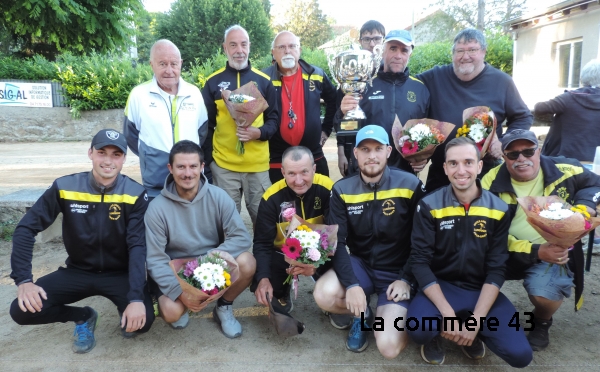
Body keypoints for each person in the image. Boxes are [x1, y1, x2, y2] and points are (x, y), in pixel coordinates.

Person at [9, 129, 154, 353]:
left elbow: (137, 246)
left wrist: (135, 298)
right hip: (77, 271)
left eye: (116, 154)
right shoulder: (65, 186)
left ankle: (123, 306)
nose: (108, 160)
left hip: (119, 273)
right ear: (90, 153)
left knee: (143, 322)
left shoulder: (135, 193)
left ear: (124, 159)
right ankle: (84, 316)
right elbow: (26, 228)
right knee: (21, 311)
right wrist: (24, 281)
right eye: (101, 152)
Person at [407, 137, 532, 367]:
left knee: (521, 356)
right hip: (441, 286)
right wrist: (447, 314)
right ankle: (440, 330)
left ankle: (473, 331)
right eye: (453, 163)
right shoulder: (429, 205)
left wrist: (475, 322)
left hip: (479, 289)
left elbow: (497, 268)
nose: (461, 170)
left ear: (480, 166)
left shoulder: (499, 208)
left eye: (468, 162)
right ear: (444, 168)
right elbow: (420, 262)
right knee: (419, 328)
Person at [481, 129, 600, 351]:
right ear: (503, 157)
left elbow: (595, 184)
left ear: (539, 150)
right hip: (504, 250)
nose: (522, 159)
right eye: (513, 154)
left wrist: (584, 208)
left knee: (544, 294)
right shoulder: (489, 181)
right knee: (465, 271)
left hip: (552, 251)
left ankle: (542, 321)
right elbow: (486, 233)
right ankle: (475, 317)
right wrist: (535, 249)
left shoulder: (565, 168)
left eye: (528, 151)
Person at [313, 125, 426, 358]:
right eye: (365, 149)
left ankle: (391, 316)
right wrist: (352, 285)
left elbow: (423, 240)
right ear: (355, 153)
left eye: (377, 149)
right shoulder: (342, 189)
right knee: (324, 295)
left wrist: (407, 278)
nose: (371, 155)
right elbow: (338, 242)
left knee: (389, 346)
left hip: (396, 271)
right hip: (361, 264)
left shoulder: (410, 184)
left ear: (388, 151)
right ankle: (362, 315)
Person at [145, 140, 256, 338]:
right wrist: (180, 294)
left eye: (193, 166)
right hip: (179, 272)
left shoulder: (219, 196)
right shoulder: (156, 208)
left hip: (212, 265)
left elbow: (241, 237)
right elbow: (155, 259)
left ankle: (223, 307)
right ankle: (185, 304)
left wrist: (208, 261)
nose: (187, 173)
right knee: (171, 312)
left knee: (247, 261)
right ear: (170, 168)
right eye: (181, 166)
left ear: (202, 167)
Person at [417, 28, 532, 193]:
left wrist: (504, 142)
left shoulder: (502, 82)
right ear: (453, 54)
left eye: (472, 50)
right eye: (460, 51)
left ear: (483, 52)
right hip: (442, 171)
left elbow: (523, 117)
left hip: (485, 172)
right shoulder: (434, 77)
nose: (465, 56)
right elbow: (406, 85)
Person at [202, 25, 279, 225]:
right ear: (224, 48)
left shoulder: (264, 81)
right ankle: (229, 257)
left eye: (243, 44)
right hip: (224, 167)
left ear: (249, 46)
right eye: (233, 45)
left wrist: (258, 133)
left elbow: (274, 120)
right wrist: (211, 162)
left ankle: (263, 257)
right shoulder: (212, 82)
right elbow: (207, 127)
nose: (239, 50)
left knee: (264, 222)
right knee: (225, 224)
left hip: (258, 167)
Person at [335, 29, 430, 176]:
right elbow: (345, 127)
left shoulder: (420, 89)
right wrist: (342, 113)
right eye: (393, 48)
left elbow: (428, 131)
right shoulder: (363, 84)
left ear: (410, 54)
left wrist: (423, 156)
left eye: (404, 50)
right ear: (382, 51)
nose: (398, 56)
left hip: (404, 174)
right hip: (366, 173)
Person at [252, 146, 334, 313]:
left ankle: (331, 298)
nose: (298, 180)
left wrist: (316, 265)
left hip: (322, 251)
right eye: (291, 174)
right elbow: (262, 243)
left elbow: (336, 235)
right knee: (266, 274)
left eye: (304, 172)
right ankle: (281, 291)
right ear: (282, 172)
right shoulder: (270, 197)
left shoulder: (328, 187)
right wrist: (263, 278)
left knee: (340, 263)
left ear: (314, 169)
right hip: (284, 254)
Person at [124, 39, 208, 198]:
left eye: (174, 64)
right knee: (159, 221)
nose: (169, 70)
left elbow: (202, 132)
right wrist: (151, 157)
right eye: (162, 64)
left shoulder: (194, 93)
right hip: (156, 181)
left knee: (191, 221)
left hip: (190, 178)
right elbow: (131, 135)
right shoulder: (138, 95)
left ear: (181, 64)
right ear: (151, 64)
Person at [262, 31, 337, 183]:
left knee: (320, 201)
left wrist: (326, 130)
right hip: (276, 156)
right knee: (280, 204)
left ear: (299, 50)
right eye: (281, 47)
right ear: (273, 53)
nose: (287, 51)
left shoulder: (317, 74)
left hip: (313, 153)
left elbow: (334, 100)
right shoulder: (263, 78)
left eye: (292, 46)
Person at [337, 20, 385, 177]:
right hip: (356, 151)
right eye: (367, 39)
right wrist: (341, 153)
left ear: (383, 41)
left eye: (377, 38)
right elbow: (340, 118)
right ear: (360, 42)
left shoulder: (389, 74)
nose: (372, 44)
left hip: (385, 151)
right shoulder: (349, 76)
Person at [534, 59, 600, 162]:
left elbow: (540, 108)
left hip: (566, 161)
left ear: (583, 77)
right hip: (596, 162)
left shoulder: (569, 98)